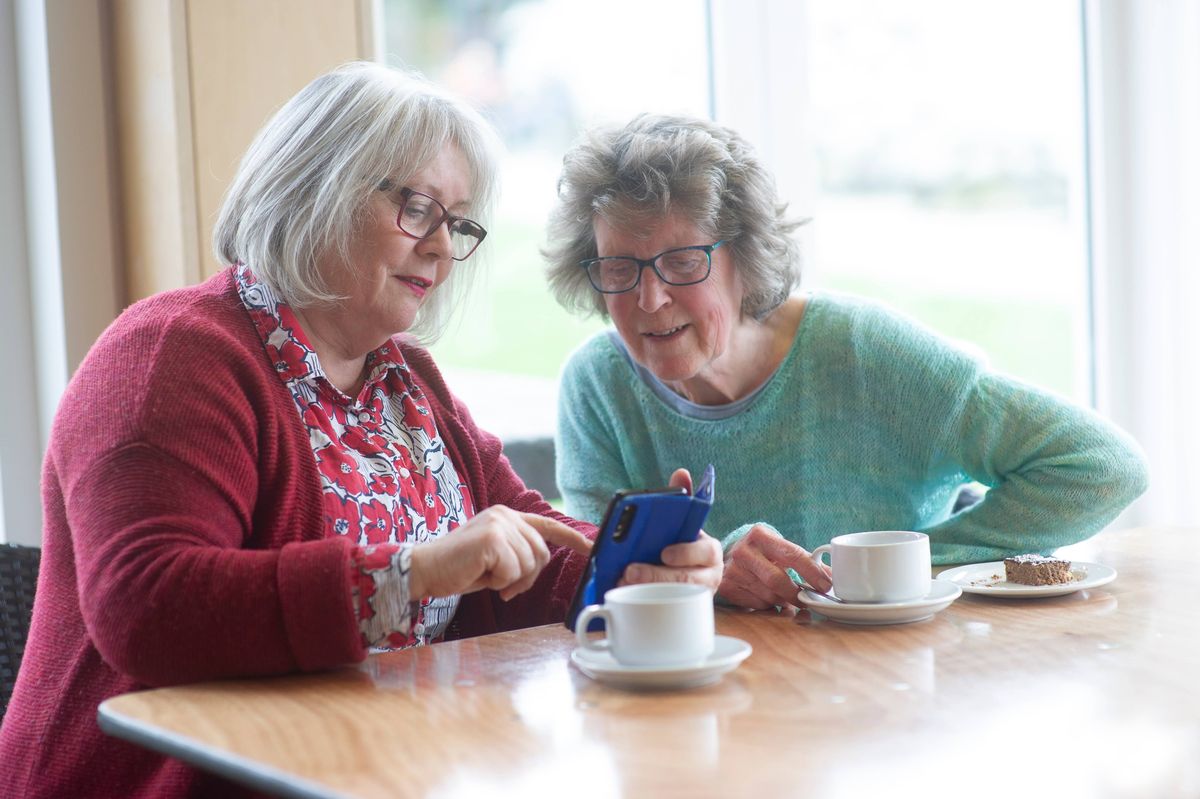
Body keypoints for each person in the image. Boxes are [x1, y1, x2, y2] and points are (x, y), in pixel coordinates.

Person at [0, 65, 721, 799]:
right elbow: (147, 606)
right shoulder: (170, 354)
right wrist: (413, 573)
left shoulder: (406, 378)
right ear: (319, 184)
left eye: (459, 222)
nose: (442, 247)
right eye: (418, 207)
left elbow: (521, 543)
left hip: (374, 769)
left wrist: (641, 568)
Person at [544, 113, 1148, 612]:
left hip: (891, 686)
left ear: (744, 260)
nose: (649, 300)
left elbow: (1101, 466)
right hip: (698, 697)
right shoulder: (598, 384)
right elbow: (589, 580)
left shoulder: (864, 353)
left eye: (682, 262)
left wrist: (895, 565)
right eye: (620, 268)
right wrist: (710, 572)